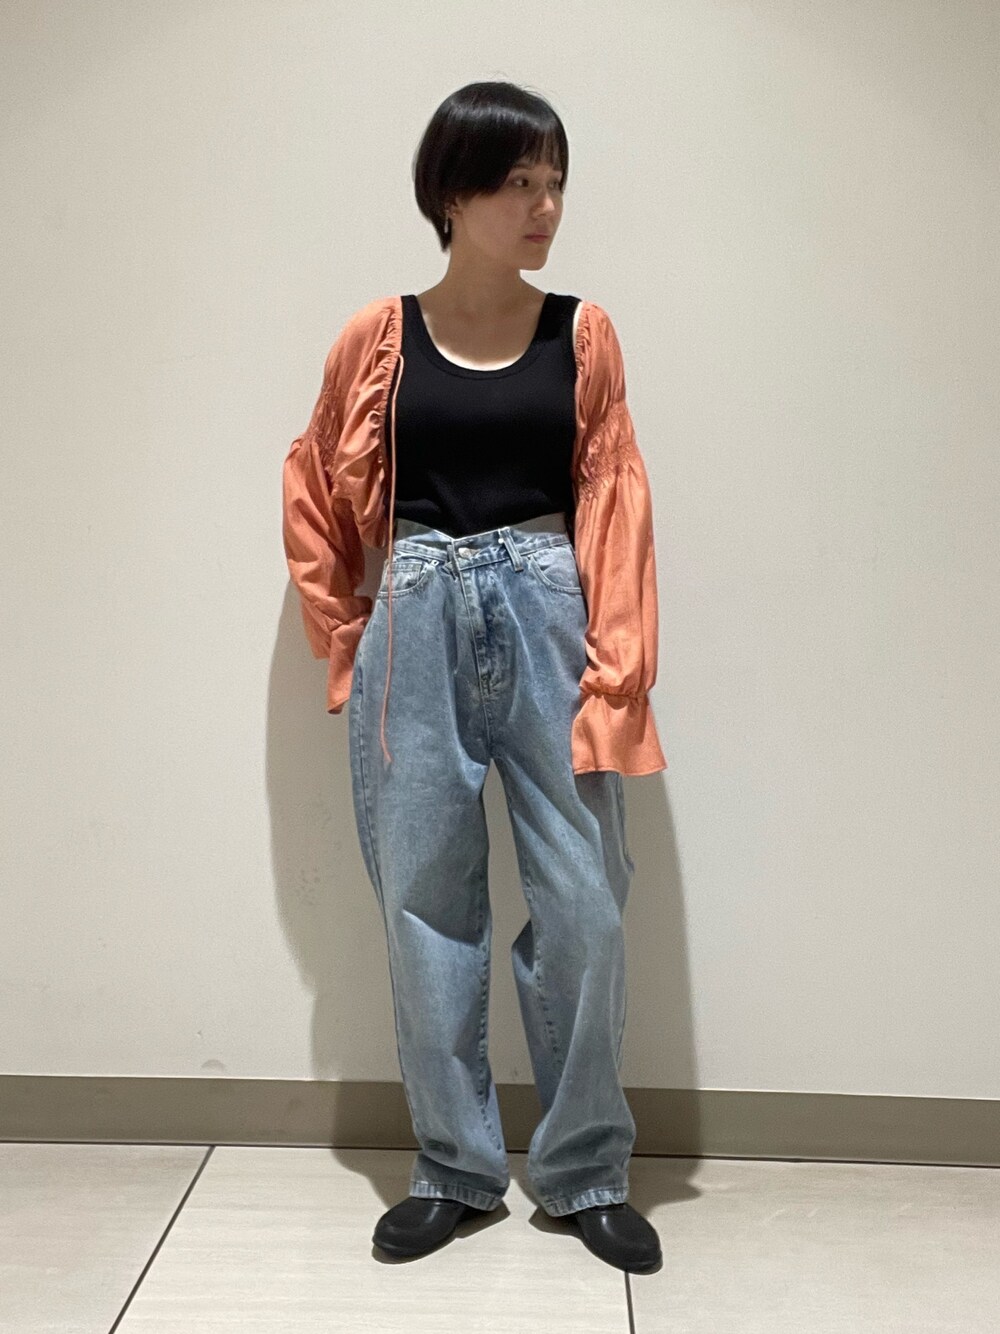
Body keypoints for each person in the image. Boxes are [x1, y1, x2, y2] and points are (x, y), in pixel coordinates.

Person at [282, 81, 667, 1273]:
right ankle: (454, 1165)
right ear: (452, 195)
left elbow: (615, 503)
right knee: (423, 902)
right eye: (517, 183)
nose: (544, 205)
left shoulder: (581, 335)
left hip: (551, 619)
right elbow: (314, 482)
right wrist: (350, 631)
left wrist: (617, 674)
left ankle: (583, 1164)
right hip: (416, 620)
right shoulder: (378, 336)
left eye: (554, 182)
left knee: (586, 901)